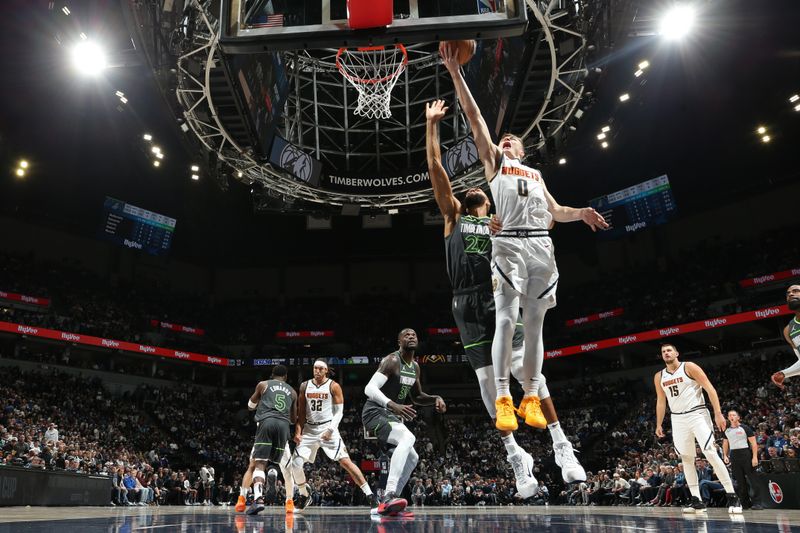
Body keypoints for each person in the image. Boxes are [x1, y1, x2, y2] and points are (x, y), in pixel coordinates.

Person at [440, 45, 608, 433]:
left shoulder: (536, 175)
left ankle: (530, 395)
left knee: (534, 326)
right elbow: (475, 117)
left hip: (541, 246)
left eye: (512, 139)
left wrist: (579, 213)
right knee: (505, 319)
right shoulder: (496, 164)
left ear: (523, 148)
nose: (506, 141)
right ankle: (503, 397)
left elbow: (556, 212)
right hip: (511, 243)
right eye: (503, 140)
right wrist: (455, 73)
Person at [424, 98, 585, 492]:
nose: (478, 184)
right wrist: (432, 126)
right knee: (484, 385)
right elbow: (435, 169)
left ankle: (561, 444)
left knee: (530, 375)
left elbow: (542, 221)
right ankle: (516, 456)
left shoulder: (503, 219)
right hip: (466, 304)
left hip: (501, 292)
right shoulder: (453, 217)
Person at [362, 328, 446, 516]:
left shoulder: (415, 367)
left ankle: (390, 503)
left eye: (414, 334)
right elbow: (369, 388)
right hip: (374, 411)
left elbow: (417, 397)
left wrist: (435, 398)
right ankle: (389, 494)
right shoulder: (392, 361)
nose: (411, 336)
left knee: (413, 457)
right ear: (399, 341)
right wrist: (393, 405)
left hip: (388, 413)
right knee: (408, 438)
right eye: (406, 335)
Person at [654, 343, 741, 513]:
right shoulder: (659, 376)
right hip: (677, 418)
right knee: (686, 458)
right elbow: (661, 400)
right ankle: (696, 500)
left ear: (677, 352)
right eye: (663, 351)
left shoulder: (689, 367)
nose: (666, 353)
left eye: (669, 350)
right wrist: (658, 423)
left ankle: (733, 496)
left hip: (697, 413)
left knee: (709, 452)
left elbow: (709, 388)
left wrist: (718, 413)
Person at [291, 359, 378, 511]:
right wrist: (298, 432)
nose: (316, 371)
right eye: (314, 368)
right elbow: (301, 413)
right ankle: (305, 495)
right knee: (295, 465)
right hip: (309, 431)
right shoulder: (304, 386)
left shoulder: (333, 386)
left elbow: (339, 412)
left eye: (320, 369)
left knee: (345, 462)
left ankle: (370, 495)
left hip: (328, 427)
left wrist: (330, 430)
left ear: (326, 370)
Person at [246, 364, 297, 515]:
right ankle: (289, 501)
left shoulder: (263, 384)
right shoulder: (293, 392)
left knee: (260, 463)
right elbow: (293, 419)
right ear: (286, 377)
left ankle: (258, 499)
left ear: (271, 374)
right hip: (283, 426)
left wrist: (262, 403)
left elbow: (250, 405)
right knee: (285, 467)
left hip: (266, 422)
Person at [722, 409, 763, 510]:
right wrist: (725, 456)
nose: (732, 417)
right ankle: (745, 503)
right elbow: (725, 443)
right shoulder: (726, 430)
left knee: (753, 480)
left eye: (734, 415)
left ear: (738, 417)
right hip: (734, 455)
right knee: (740, 481)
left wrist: (754, 457)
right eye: (730, 415)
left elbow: (753, 443)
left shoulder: (745, 428)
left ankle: (757, 503)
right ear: (728, 418)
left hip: (745, 454)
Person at [771, 284, 800, 389]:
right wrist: (783, 374)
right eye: (788, 294)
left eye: (796, 291)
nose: (791, 294)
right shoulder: (788, 330)